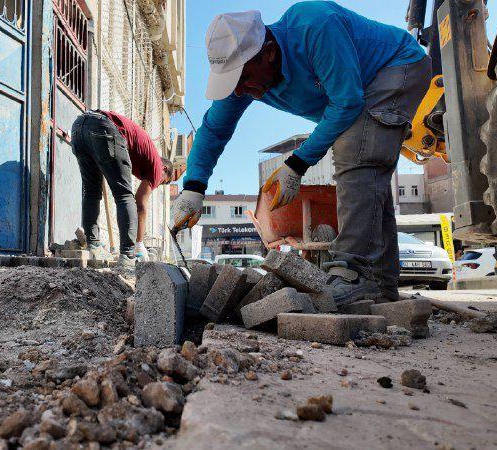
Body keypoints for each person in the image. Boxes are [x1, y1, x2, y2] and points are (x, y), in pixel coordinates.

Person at [170, 2, 431, 305]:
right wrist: (194, 187)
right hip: (360, 89)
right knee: (366, 172)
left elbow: (346, 103)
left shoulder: (314, 26)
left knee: (356, 157)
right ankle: (379, 284)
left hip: (398, 66)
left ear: (267, 52)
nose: (238, 90)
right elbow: (214, 129)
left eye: (241, 79)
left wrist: (297, 164)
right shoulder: (246, 76)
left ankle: (355, 272)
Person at [71, 110, 175, 267]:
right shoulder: (157, 166)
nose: (155, 184)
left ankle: (93, 245)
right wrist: (139, 244)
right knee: (124, 196)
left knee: (91, 192)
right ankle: (127, 255)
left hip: (79, 128)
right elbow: (140, 203)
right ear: (165, 170)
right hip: (103, 127)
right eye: (161, 182)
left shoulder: (143, 154)